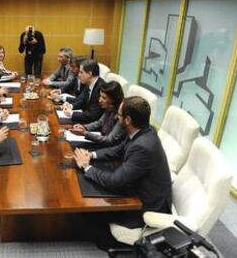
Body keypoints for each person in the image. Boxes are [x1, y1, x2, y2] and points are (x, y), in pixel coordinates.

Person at [73, 96, 172, 246]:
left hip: (146, 205)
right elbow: (119, 150)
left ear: (128, 120)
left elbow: (115, 181)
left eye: (119, 115)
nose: (115, 117)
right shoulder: (143, 130)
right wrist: (91, 155)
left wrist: (86, 167)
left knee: (90, 211)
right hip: (137, 188)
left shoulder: (143, 147)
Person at [70, 81, 126, 148]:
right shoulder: (110, 107)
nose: (100, 100)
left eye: (104, 98)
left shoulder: (122, 114)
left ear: (114, 99)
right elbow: (99, 123)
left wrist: (86, 133)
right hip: (102, 139)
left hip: (110, 149)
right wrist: (84, 127)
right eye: (100, 96)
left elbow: (109, 140)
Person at [62, 59, 105, 123]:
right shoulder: (89, 83)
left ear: (90, 74)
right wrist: (71, 106)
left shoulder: (101, 88)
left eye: (81, 72)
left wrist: (72, 113)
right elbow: (82, 100)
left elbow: (93, 115)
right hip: (87, 119)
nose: (78, 75)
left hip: (94, 124)